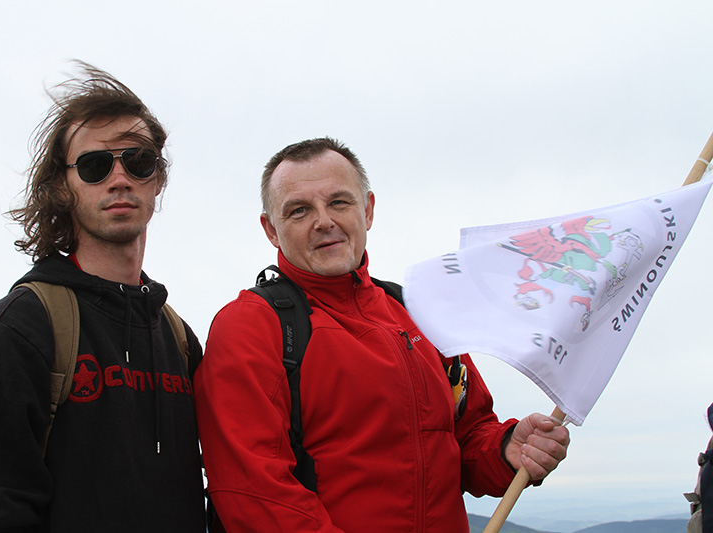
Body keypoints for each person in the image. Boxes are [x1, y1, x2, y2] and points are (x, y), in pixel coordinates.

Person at [194, 137, 570, 532]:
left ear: (368, 210)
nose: (324, 221)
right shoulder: (251, 327)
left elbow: (468, 434)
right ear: (271, 229)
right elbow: (254, 493)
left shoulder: (419, 312)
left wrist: (507, 449)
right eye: (299, 210)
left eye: (339, 202)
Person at [0, 62, 206, 532]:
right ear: (63, 187)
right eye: (94, 165)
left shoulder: (178, 338)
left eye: (138, 161)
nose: (119, 178)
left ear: (158, 180)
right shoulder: (14, 332)